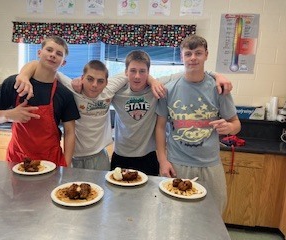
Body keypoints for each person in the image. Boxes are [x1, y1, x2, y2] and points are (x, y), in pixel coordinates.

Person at [15, 51, 233, 175]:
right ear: (125, 73)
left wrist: (216, 75)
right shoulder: (107, 89)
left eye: (142, 72)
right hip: (116, 155)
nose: (137, 76)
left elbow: (187, 70)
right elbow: (48, 68)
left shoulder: (151, 87)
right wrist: (24, 77)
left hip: (146, 157)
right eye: (132, 71)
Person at [155, 35, 241, 213]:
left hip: (210, 164)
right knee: (172, 213)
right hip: (177, 163)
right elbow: (160, 127)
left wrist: (230, 128)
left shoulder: (219, 89)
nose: (193, 58)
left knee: (213, 214)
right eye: (188, 54)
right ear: (181, 57)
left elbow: (236, 124)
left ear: (206, 55)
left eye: (198, 53)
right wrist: (162, 161)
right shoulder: (169, 89)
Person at [0, 36, 80, 167]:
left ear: (63, 63)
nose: (52, 55)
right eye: (49, 50)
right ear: (39, 53)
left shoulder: (64, 94)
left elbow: (70, 133)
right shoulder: (15, 83)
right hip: (17, 160)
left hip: (50, 162)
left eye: (58, 53)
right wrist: (9, 115)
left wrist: (66, 164)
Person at [16, 60, 128, 170]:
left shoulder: (109, 89)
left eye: (100, 81)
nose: (94, 85)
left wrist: (147, 78)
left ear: (106, 83)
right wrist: (24, 76)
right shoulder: (71, 88)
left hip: (100, 156)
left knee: (101, 188)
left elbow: (132, 71)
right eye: (90, 79)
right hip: (74, 157)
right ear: (82, 78)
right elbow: (41, 65)